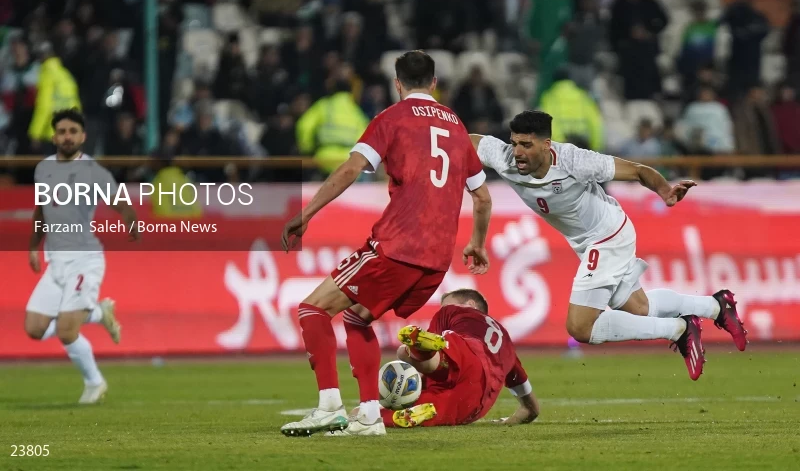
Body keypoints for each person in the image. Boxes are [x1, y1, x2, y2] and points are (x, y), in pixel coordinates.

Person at [279, 51, 492, 437]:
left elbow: (351, 169)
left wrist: (307, 213)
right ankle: (369, 416)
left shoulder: (392, 118)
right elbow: (482, 197)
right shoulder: (456, 126)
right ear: (434, 83)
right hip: (436, 259)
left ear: (397, 84)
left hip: (397, 245)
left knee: (312, 309)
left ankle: (329, 407)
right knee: (357, 317)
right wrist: (477, 243)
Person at [471, 110, 748, 381]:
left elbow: (637, 171)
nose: (517, 152)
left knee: (580, 327)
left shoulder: (574, 161)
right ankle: (715, 306)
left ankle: (678, 329)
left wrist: (665, 191)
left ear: (546, 144)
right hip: (588, 241)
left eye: (526, 145)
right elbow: (464, 140)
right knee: (640, 308)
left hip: (607, 236)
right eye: (514, 143)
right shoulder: (503, 156)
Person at [25, 108, 140, 403]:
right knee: (34, 328)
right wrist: (33, 246)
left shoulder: (93, 171)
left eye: (72, 132)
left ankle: (94, 382)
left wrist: (130, 219)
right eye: (62, 132)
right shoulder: (43, 169)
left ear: (83, 136)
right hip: (56, 263)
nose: (67, 137)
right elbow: (41, 211)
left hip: (84, 260)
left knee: (66, 330)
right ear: (54, 137)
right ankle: (99, 313)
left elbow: (118, 201)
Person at [377, 289, 539, 429]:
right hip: (477, 399)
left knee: (405, 354)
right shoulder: (507, 346)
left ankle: (422, 352)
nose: (443, 309)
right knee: (438, 409)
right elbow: (531, 409)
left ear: (470, 304)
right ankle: (399, 415)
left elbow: (421, 370)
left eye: (446, 305)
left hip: (466, 352)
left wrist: (406, 382)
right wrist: (511, 420)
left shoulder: (455, 312)